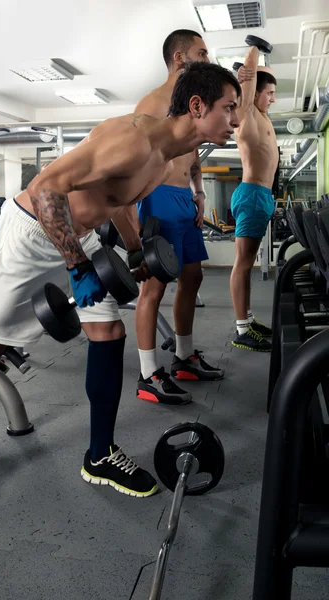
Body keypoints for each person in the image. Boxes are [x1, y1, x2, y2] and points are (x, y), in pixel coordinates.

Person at [0, 61, 240, 511]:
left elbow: (118, 201)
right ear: (197, 106)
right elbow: (47, 188)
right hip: (34, 231)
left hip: (81, 233)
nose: (235, 119)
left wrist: (135, 250)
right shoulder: (133, 139)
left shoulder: (167, 156)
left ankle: (99, 455)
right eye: (229, 107)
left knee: (110, 334)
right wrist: (77, 267)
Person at [134, 30, 249, 405]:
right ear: (180, 57)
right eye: (202, 52)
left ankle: (183, 358)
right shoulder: (151, 103)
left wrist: (198, 192)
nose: (207, 57)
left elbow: (192, 152)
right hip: (158, 197)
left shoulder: (194, 104)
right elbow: (139, 157)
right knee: (153, 288)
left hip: (184, 199)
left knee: (193, 275)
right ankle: (149, 373)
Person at [230, 44, 278, 352]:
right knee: (243, 264)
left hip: (261, 196)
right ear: (255, 93)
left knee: (247, 264)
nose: (273, 98)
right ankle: (241, 330)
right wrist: (254, 51)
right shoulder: (247, 114)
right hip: (251, 195)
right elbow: (246, 85)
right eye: (269, 92)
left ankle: (247, 319)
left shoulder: (263, 117)